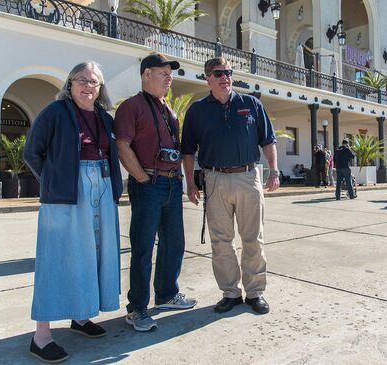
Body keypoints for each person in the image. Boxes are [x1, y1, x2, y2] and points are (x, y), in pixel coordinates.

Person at [24, 61, 123, 362]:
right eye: (81, 80)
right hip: (66, 192)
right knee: (57, 257)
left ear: (100, 87)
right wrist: (56, 181)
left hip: (102, 186)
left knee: (92, 253)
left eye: (93, 81)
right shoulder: (55, 112)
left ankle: (80, 317)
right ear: (70, 84)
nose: (87, 86)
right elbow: (32, 152)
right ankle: (41, 337)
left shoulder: (106, 118)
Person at [181, 57, 279, 315]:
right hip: (214, 180)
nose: (225, 77)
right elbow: (188, 151)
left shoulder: (251, 104)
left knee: (253, 238)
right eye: (218, 73)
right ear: (207, 78)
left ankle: (255, 292)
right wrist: (190, 183)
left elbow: (268, 141)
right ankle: (231, 293)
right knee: (221, 241)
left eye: (228, 72)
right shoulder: (197, 110)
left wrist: (273, 172)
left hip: (248, 177)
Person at [114, 53, 196, 332]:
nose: (169, 78)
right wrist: (142, 179)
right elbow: (122, 146)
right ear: (146, 74)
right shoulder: (131, 106)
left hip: (172, 183)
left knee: (174, 243)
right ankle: (137, 309)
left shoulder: (167, 109)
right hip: (149, 183)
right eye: (163, 73)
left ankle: (166, 295)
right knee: (143, 247)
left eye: (170, 74)